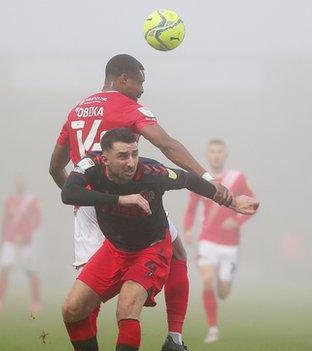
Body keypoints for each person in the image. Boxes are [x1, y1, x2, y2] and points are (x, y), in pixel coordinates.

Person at [49, 53, 233, 351]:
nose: (142, 89)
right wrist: (209, 178)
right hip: (127, 198)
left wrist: (83, 198)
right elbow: (167, 145)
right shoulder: (128, 107)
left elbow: (55, 167)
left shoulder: (77, 110)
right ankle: (174, 336)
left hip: (92, 204)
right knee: (88, 300)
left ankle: (174, 339)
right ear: (123, 79)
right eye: (140, 82)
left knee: (173, 251)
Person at [59, 128, 259, 351]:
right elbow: (68, 194)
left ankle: (174, 336)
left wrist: (230, 202)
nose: (131, 162)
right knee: (72, 309)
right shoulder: (90, 166)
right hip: (114, 249)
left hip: (151, 250)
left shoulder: (152, 172)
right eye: (123, 156)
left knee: (126, 308)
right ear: (105, 159)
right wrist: (120, 200)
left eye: (134, 154)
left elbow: (189, 180)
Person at [183, 139, 255, 343]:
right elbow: (191, 209)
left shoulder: (237, 178)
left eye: (219, 152)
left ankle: (225, 283)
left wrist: (238, 221)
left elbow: (253, 204)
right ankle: (213, 328)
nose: (216, 155)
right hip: (207, 241)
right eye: (212, 151)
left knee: (223, 291)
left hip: (230, 244)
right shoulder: (202, 179)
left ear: (225, 155)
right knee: (207, 281)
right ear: (207, 155)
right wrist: (188, 230)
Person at [0, 177, 42, 313]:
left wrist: (24, 235)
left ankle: (36, 303)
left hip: (25, 242)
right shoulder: (9, 201)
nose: (19, 185)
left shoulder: (32, 201)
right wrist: (2, 240)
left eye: (21, 183)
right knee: (4, 269)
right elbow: (5, 221)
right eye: (17, 183)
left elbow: (37, 220)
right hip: (10, 241)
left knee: (30, 270)